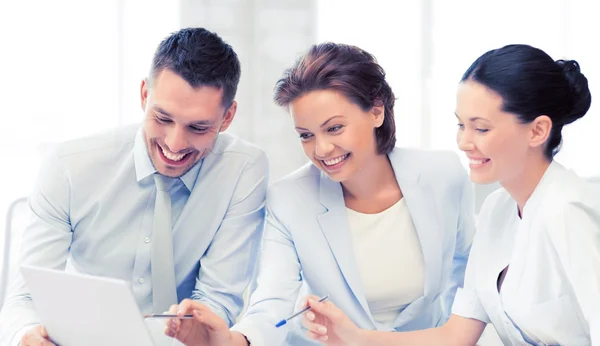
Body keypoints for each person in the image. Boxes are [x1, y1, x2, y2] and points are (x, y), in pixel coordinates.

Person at [164, 42, 475, 346]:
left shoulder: (442, 175)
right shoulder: (289, 199)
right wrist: (235, 341)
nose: (322, 149)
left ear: (377, 111)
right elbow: (273, 301)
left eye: (335, 128)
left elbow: (467, 275)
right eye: (306, 136)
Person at [299, 44, 600, 345]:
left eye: (481, 129)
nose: (464, 142)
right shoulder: (498, 210)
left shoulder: (569, 210)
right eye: (461, 125)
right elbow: (457, 336)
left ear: (537, 131)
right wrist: (355, 337)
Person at [0, 27, 269, 346]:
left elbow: (217, 302)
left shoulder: (243, 169)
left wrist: (197, 330)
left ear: (227, 118)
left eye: (198, 127)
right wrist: (26, 336)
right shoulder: (69, 167)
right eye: (163, 118)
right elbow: (24, 299)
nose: (175, 143)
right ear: (144, 95)